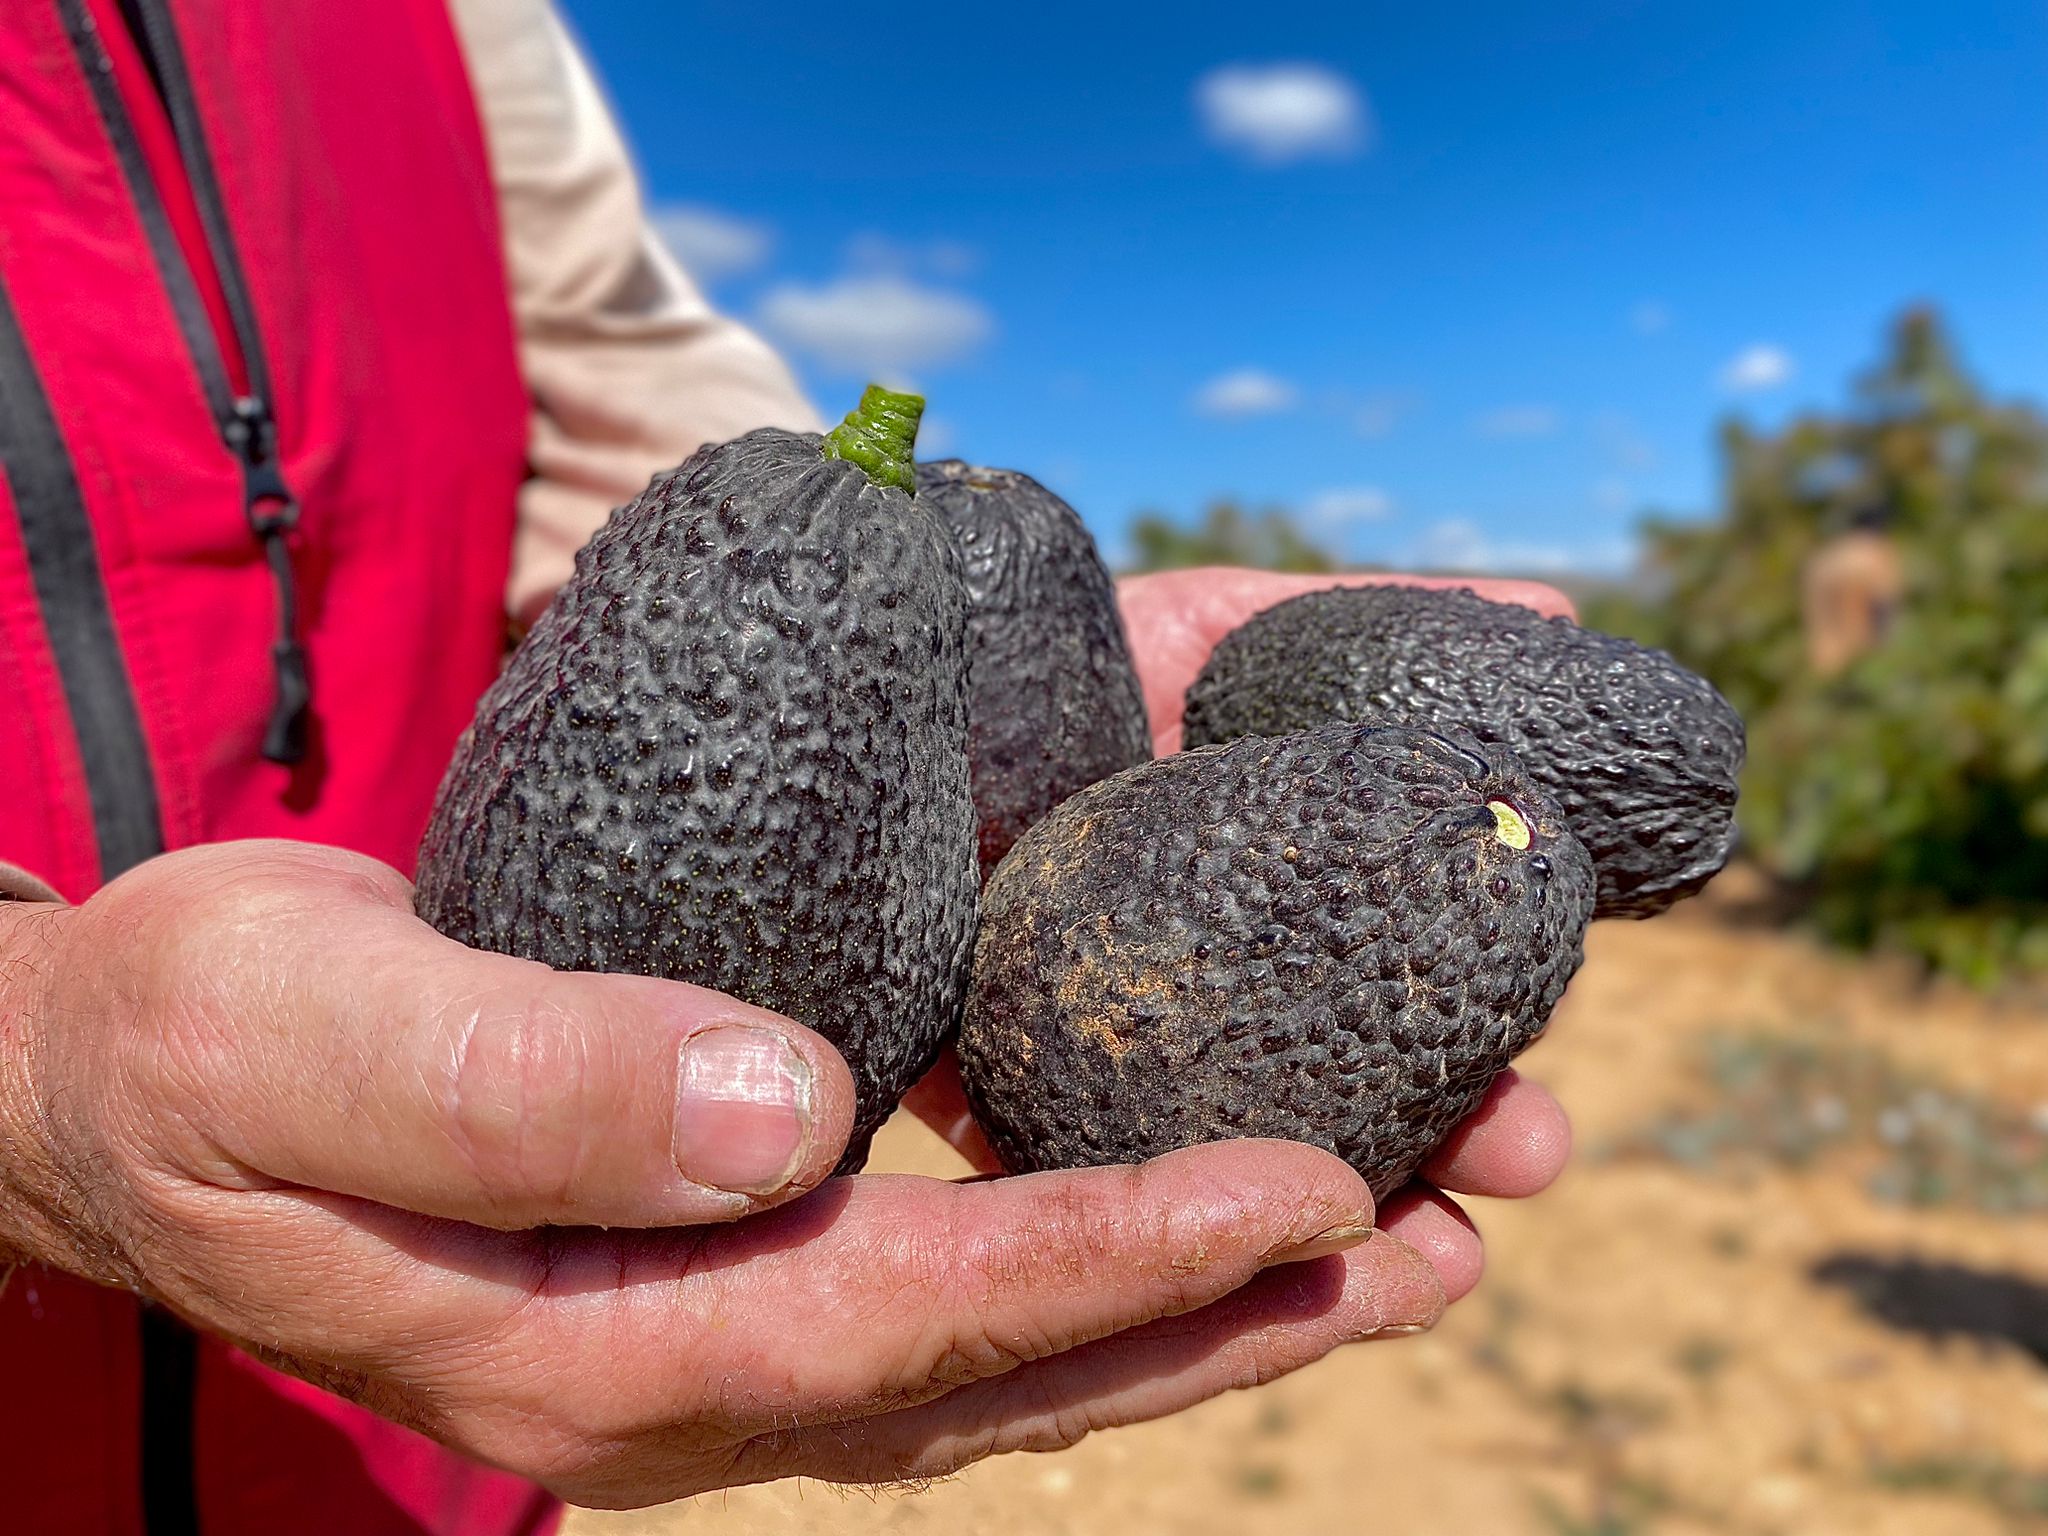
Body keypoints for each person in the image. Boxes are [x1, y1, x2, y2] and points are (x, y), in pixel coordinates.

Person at [0, 1, 1575, 1531]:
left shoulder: (445, 16)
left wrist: (848, 571)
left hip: (428, 1460)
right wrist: (37, 1058)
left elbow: (607, 357)